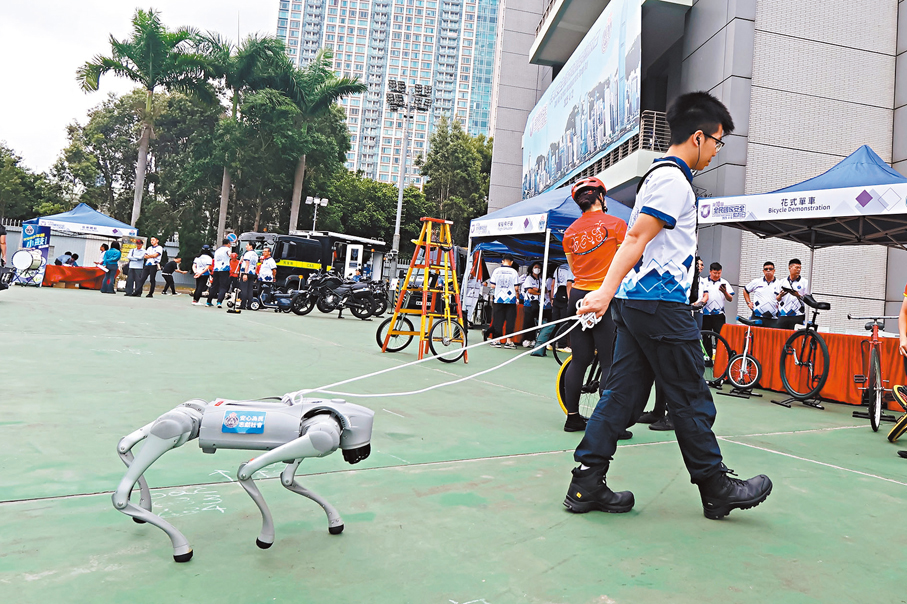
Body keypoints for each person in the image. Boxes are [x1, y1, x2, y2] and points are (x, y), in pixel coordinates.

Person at [563, 91, 771, 520]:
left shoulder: (659, 178)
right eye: (718, 142)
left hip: (641, 305)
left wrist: (611, 293)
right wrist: (604, 291)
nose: (716, 151)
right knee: (690, 395)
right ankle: (716, 486)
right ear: (698, 137)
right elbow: (636, 238)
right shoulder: (672, 182)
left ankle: (585, 483)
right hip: (659, 306)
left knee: (620, 395)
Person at [561, 176, 628, 433]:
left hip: (578, 296)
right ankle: (608, 423)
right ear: (601, 196)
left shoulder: (570, 233)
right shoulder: (617, 225)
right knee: (610, 361)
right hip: (605, 297)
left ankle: (572, 417)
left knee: (579, 359)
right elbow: (626, 262)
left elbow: (573, 265)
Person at [486, 254, 520, 349]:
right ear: (511, 262)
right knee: (510, 320)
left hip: (498, 298)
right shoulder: (514, 272)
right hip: (511, 299)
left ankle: (497, 340)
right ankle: (509, 341)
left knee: (498, 320)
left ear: (502, 261)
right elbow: (516, 287)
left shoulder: (496, 271)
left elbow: (492, 285)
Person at [700, 262, 735, 354]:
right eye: (715, 273)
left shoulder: (724, 282)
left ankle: (720, 358)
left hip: (719, 315)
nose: (717, 275)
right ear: (710, 272)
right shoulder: (703, 281)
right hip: (705, 314)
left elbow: (730, 299)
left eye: (719, 273)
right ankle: (707, 358)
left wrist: (725, 292)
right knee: (706, 336)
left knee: (720, 337)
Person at [743, 261, 782, 326]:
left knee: (771, 336)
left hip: (773, 318)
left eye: (770, 269)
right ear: (763, 271)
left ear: (774, 271)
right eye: (766, 269)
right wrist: (748, 302)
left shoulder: (779, 284)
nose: (768, 271)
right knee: (755, 335)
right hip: (757, 316)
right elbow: (745, 290)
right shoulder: (756, 282)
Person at [776, 258, 810, 330]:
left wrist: (797, 295)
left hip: (797, 315)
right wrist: (780, 295)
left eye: (800, 268)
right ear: (790, 268)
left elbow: (808, 299)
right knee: (781, 336)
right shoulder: (782, 282)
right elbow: (777, 299)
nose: (799, 270)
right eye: (797, 267)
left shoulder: (805, 282)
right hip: (783, 314)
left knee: (796, 337)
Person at [521, 261, 545, 347]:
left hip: (537, 303)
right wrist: (539, 292)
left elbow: (545, 289)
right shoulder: (529, 278)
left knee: (535, 322)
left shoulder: (541, 279)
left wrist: (537, 290)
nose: (537, 269)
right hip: (529, 303)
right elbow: (530, 290)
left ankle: (533, 339)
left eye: (539, 268)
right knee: (528, 321)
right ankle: (526, 339)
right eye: (535, 267)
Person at [207, 238, 233, 308]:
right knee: (223, 286)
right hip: (224, 269)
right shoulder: (227, 249)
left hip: (216, 269)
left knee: (214, 286)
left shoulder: (217, 250)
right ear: (228, 244)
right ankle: (219, 302)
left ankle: (209, 301)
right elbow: (230, 254)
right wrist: (232, 255)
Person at [239, 243, 259, 310]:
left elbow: (247, 264)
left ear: (251, 246)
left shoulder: (248, 254)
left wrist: (245, 273)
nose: (246, 246)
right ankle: (250, 304)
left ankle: (243, 304)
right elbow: (255, 265)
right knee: (250, 289)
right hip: (252, 272)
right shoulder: (255, 255)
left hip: (246, 272)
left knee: (244, 289)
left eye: (247, 245)